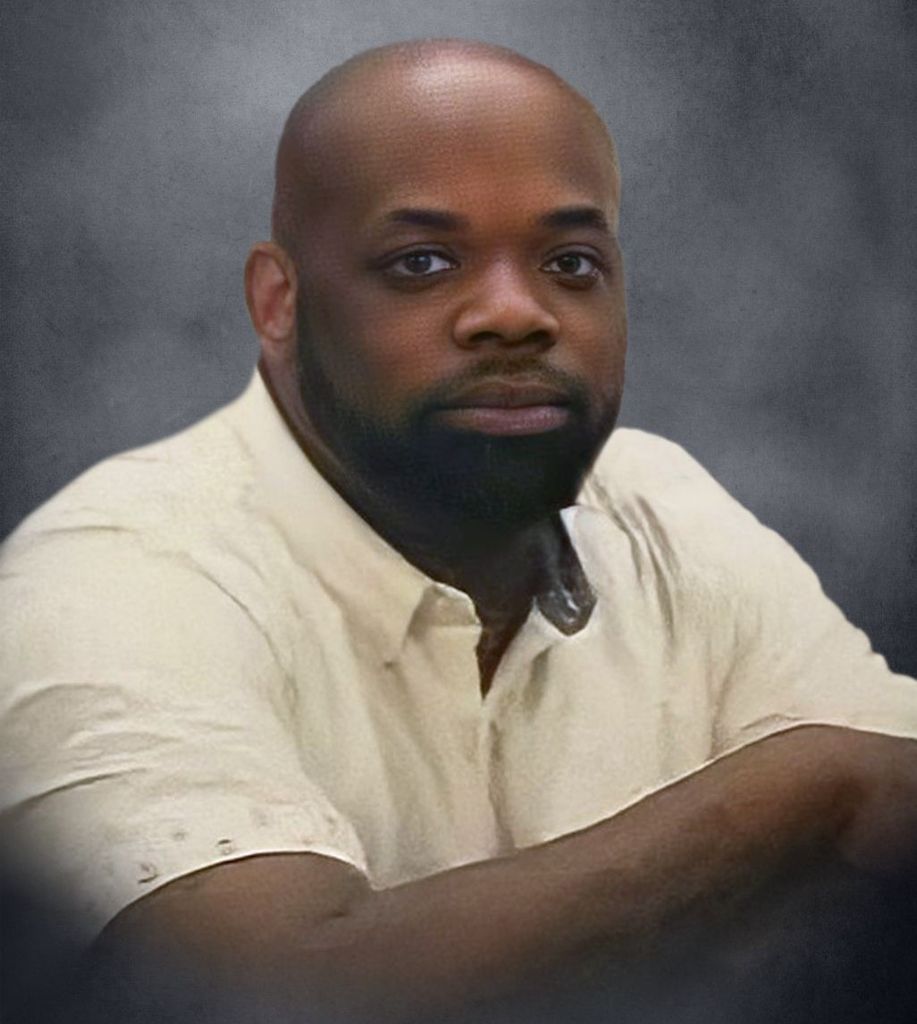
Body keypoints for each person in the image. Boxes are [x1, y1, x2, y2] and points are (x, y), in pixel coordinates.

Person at [1, 38, 916, 1023]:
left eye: (569, 262)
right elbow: (271, 991)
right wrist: (804, 790)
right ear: (279, 302)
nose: (516, 315)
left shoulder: (661, 508)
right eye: (422, 262)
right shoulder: (110, 581)